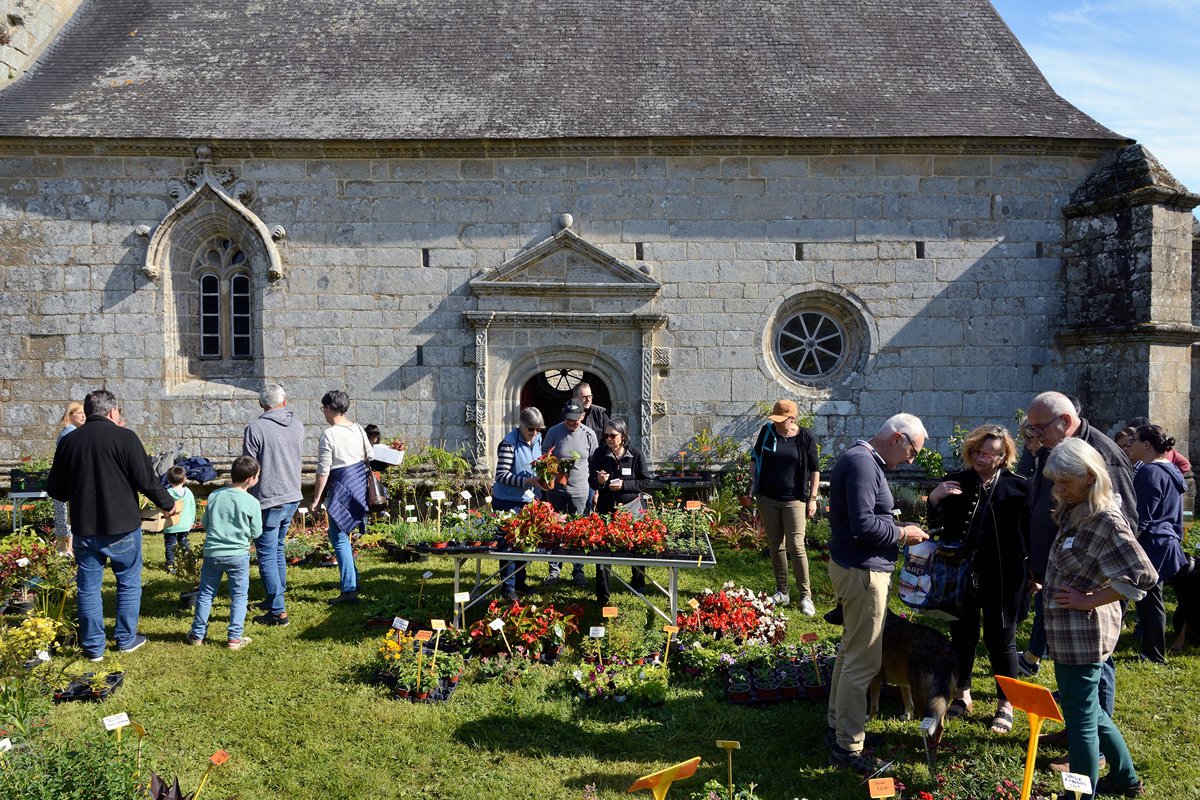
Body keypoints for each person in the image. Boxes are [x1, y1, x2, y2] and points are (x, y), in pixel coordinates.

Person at [1041, 438, 1156, 800]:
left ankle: (1079, 795)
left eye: (1065, 482)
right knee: (1088, 711)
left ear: (1091, 476)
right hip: (1067, 633)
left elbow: (1142, 577)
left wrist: (1089, 599)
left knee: (1080, 724)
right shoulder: (1078, 509)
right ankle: (1124, 778)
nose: (1057, 490)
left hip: (1083, 636)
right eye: (1054, 482)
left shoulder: (1107, 519)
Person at [1018, 390, 1135, 718]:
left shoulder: (1102, 455)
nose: (1034, 437)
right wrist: (1035, 561)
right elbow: (1041, 503)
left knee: (1096, 663)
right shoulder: (1053, 448)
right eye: (1031, 430)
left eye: (1038, 429)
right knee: (1068, 661)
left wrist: (1097, 592)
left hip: (1088, 587)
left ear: (1065, 422)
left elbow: (1126, 528)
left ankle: (1093, 742)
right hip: (1057, 576)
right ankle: (1077, 729)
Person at [825, 413, 930, 773]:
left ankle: (838, 728)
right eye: (913, 451)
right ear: (897, 437)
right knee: (864, 661)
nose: (911, 459)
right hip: (863, 573)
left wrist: (902, 525)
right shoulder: (863, 464)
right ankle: (848, 748)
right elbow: (864, 525)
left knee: (850, 652)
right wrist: (903, 535)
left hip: (857, 567)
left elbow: (871, 518)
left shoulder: (862, 459)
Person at [47, 389, 180, 661]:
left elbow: (57, 490)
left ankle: (94, 647)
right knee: (128, 583)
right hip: (122, 526)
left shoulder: (69, 442)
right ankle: (126, 638)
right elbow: (147, 479)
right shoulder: (125, 437)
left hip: (85, 527)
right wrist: (168, 504)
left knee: (88, 587)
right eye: (119, 410)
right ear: (112, 412)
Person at [926, 424, 1029, 734]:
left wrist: (1034, 574)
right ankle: (963, 694)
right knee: (963, 636)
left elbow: (1030, 535)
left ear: (1003, 457)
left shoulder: (1019, 486)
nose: (981, 458)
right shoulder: (954, 481)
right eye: (976, 452)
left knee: (1002, 640)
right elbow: (936, 527)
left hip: (1004, 577)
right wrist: (933, 499)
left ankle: (1005, 703)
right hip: (960, 575)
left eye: (990, 453)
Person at [242, 382, 305, 626]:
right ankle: (274, 596)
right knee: (276, 547)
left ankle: (278, 612)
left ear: (260, 403)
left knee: (267, 553)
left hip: (268, 498)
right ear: (285, 401)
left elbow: (249, 468)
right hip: (291, 495)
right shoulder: (297, 425)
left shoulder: (256, 428)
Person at [751, 399, 820, 615]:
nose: (777, 423)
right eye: (776, 419)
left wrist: (813, 498)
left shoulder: (805, 437)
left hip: (795, 500)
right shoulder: (767, 431)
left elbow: (815, 469)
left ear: (792, 419)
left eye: (782, 420)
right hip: (768, 499)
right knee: (775, 546)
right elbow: (755, 456)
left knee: (796, 546)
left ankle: (805, 596)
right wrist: (754, 481)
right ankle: (782, 591)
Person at [1127, 424, 1189, 663]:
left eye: (1134, 440)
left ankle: (1153, 654)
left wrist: (1129, 541)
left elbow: (1143, 515)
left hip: (1153, 543)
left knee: (1149, 599)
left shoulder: (1149, 472)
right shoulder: (1171, 469)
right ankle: (1151, 650)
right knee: (1152, 598)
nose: (1130, 444)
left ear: (1147, 444)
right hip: (1168, 542)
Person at [188, 456, 262, 650]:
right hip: (238, 555)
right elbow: (257, 532)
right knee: (239, 596)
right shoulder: (252, 502)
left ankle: (197, 635)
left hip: (212, 553)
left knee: (205, 594)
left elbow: (205, 524)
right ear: (251, 479)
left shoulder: (215, 495)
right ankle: (234, 639)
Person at [310, 389, 372, 605]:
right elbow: (370, 456)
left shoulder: (330, 434)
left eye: (323, 409)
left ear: (329, 409)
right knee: (342, 534)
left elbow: (323, 470)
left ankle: (349, 589)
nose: (324, 414)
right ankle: (352, 579)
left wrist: (317, 499)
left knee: (337, 536)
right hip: (358, 485)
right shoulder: (358, 429)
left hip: (341, 487)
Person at [590, 417, 652, 605]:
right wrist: (599, 481)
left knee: (636, 545)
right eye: (606, 435)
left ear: (623, 436)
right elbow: (591, 481)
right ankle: (602, 594)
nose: (608, 439)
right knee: (602, 550)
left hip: (631, 507)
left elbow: (645, 481)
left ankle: (638, 583)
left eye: (613, 435)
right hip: (607, 508)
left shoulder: (635, 454)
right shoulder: (599, 454)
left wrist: (624, 485)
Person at [492, 407, 548, 603]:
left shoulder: (538, 440)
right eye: (531, 429)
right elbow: (501, 475)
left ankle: (521, 581)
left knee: (526, 543)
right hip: (507, 501)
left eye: (538, 430)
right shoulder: (508, 443)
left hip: (529, 500)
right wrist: (528, 482)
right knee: (508, 545)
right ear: (521, 426)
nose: (534, 433)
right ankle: (508, 586)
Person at [542, 398, 598, 588]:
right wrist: (553, 469)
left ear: (583, 416)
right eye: (568, 419)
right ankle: (554, 570)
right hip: (556, 490)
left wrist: (595, 490)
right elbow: (544, 457)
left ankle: (578, 570)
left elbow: (595, 463)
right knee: (555, 530)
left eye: (575, 419)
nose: (571, 423)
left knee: (578, 531)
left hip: (581, 491)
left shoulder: (589, 435)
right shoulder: (554, 432)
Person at [51, 401, 86, 558]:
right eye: (79, 413)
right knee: (67, 517)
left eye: (84, 412)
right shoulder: (69, 433)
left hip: (66, 481)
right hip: (68, 482)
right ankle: (67, 549)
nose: (83, 416)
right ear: (69, 415)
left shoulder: (70, 431)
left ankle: (67, 548)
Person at [161, 466, 196, 573]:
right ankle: (189, 560)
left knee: (170, 546)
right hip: (185, 524)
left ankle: (170, 564)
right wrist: (191, 521)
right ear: (184, 479)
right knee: (184, 543)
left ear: (168, 480)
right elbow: (192, 506)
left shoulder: (167, 493)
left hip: (171, 525)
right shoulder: (188, 492)